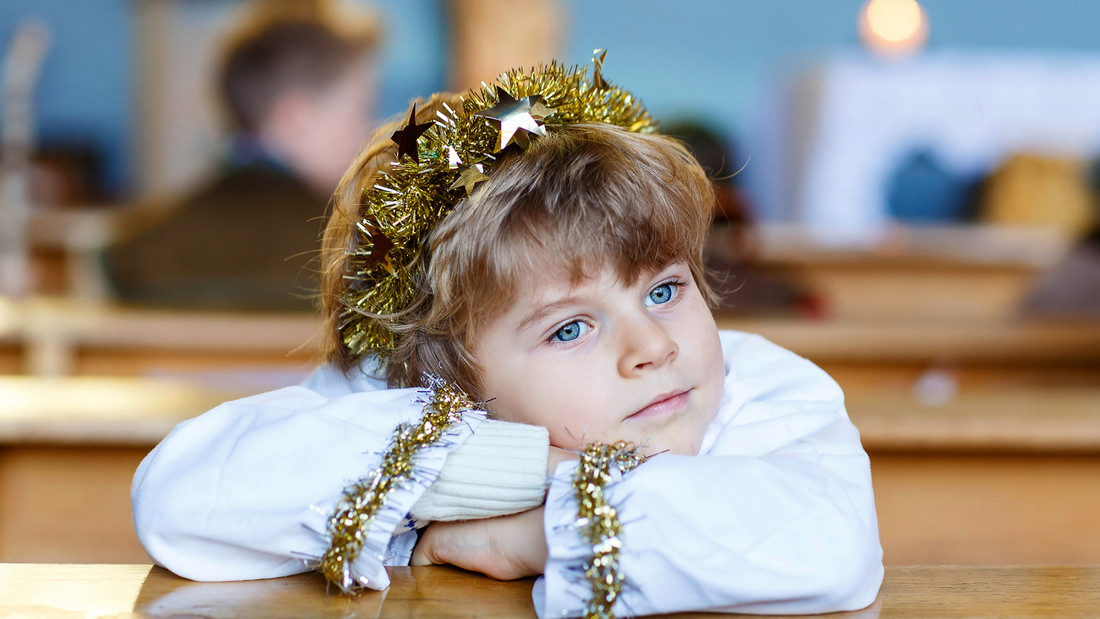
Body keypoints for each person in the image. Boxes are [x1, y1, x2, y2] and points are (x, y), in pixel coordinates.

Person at [132, 59, 883, 618]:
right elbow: (180, 501)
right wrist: (521, 465)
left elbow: (831, 546)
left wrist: (534, 535)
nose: (651, 344)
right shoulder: (403, 399)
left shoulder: (762, 389)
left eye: (663, 288)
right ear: (449, 373)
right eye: (570, 327)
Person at [103, 3, 379, 311]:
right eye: (358, 112)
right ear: (295, 120)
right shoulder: (359, 257)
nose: (365, 136)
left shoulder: (128, 253)